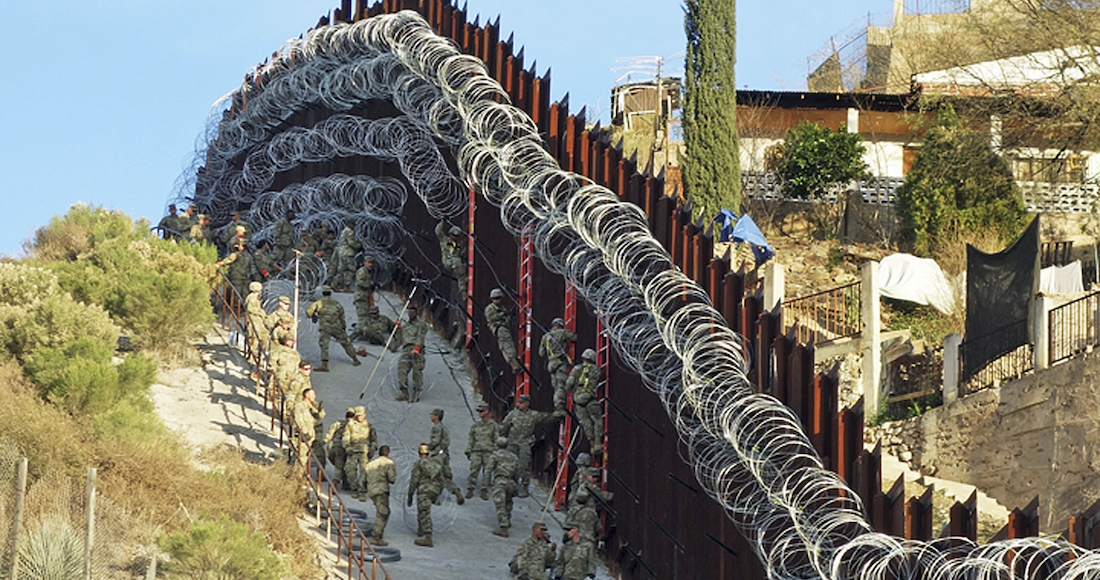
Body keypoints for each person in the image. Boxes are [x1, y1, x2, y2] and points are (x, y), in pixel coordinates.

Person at [501, 394, 558, 497]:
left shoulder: (533, 415)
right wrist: (502, 440)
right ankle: (512, 487)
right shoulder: (513, 414)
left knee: (524, 466)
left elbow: (546, 418)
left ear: (527, 404)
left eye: (522, 403)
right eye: (519, 402)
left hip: (524, 444)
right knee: (510, 465)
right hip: (512, 443)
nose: (519, 404)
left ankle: (525, 488)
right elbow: (504, 427)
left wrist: (558, 415)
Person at [305, 286, 361, 372]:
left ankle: (324, 365)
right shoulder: (336, 304)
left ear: (323, 294)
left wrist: (313, 316)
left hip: (325, 327)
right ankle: (355, 359)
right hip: (336, 326)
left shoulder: (319, 303)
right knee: (346, 343)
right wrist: (343, 328)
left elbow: (308, 312)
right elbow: (342, 317)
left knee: (324, 345)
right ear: (330, 294)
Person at [565, 349, 603, 454]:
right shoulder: (596, 370)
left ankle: (592, 445)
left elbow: (569, 384)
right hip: (589, 398)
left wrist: (573, 391)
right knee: (597, 419)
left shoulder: (576, 369)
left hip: (578, 400)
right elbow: (600, 378)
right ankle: (598, 443)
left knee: (586, 423)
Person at [407, 442, 444, 547]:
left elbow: (414, 480)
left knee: (424, 512)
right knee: (423, 509)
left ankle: (428, 537)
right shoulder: (436, 464)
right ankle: (421, 529)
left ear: (419, 454)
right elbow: (441, 480)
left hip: (424, 490)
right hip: (435, 490)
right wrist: (438, 494)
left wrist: (410, 495)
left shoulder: (419, 464)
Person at [540, 317, 578, 414]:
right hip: (560, 363)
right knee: (561, 386)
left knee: (556, 387)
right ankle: (559, 408)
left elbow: (541, 353)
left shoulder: (545, 337)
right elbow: (574, 338)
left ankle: (557, 406)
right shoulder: (562, 333)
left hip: (551, 364)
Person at [428, 408, 464, 502]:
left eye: (432, 415)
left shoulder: (436, 428)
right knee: (445, 477)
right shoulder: (444, 428)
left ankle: (435, 497)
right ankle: (456, 491)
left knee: (435, 476)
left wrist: (427, 448)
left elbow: (435, 441)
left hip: (437, 455)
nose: (431, 417)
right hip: (444, 454)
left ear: (437, 416)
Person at [466, 402, 500, 500]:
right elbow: (471, 438)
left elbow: (496, 439)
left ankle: (484, 490)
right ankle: (470, 488)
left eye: (482, 411)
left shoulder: (493, 426)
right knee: (474, 470)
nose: (480, 413)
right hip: (476, 450)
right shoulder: (476, 425)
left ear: (487, 412)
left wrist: (494, 450)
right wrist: (468, 449)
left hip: (488, 452)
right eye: (479, 411)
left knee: (487, 472)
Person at [487, 436, 520, 537]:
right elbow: (517, 472)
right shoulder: (514, 457)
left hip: (500, 481)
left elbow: (488, 470)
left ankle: (504, 528)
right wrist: (515, 483)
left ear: (497, 445)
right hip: (510, 482)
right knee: (508, 501)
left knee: (500, 503)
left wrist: (487, 483)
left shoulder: (495, 455)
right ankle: (508, 519)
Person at [342, 406, 377, 501]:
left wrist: (372, 449)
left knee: (364, 472)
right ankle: (354, 488)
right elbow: (345, 437)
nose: (359, 417)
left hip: (364, 452)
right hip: (352, 451)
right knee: (350, 470)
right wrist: (347, 447)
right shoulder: (350, 425)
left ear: (364, 415)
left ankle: (362, 491)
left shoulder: (369, 426)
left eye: (361, 415)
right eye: (357, 416)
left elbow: (374, 440)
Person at [394, 303, 428, 402]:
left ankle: (416, 393)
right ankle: (404, 392)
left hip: (417, 350)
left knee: (417, 371)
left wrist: (417, 347)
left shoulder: (421, 324)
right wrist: (397, 329)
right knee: (402, 369)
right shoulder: (406, 326)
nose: (411, 314)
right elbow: (401, 339)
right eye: (409, 312)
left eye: (413, 312)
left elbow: (420, 336)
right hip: (406, 350)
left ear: (416, 313)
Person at [364, 445, 396, 546]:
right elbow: (392, 479)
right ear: (388, 454)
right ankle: (376, 536)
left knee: (381, 511)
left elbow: (363, 479)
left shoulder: (370, 464)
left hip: (371, 491)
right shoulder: (388, 463)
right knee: (383, 513)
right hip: (381, 491)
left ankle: (378, 532)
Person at [485, 288, 522, 373]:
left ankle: (514, 366)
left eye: (498, 298)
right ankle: (515, 365)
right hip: (500, 329)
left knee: (505, 347)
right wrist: (504, 314)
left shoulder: (501, 307)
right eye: (495, 298)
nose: (497, 300)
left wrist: (511, 316)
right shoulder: (490, 308)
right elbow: (491, 318)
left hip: (503, 328)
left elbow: (508, 321)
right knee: (507, 347)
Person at [323, 407, 355, 490]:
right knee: (345, 466)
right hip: (346, 448)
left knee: (339, 466)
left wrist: (322, 443)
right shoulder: (354, 426)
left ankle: (343, 483)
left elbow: (329, 435)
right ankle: (336, 484)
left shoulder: (337, 424)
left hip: (335, 447)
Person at [291, 388, 322, 469]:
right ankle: (296, 474)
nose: (314, 396)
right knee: (300, 457)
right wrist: (304, 432)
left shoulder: (310, 407)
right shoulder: (299, 406)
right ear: (306, 395)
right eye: (312, 394)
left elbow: (318, 416)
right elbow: (298, 421)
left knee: (305, 458)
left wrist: (320, 410)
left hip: (310, 436)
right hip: (302, 436)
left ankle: (298, 473)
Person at [435, 220, 467, 294]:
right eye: (453, 235)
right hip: (448, 261)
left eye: (457, 236)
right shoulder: (445, 240)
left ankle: (463, 291)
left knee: (460, 272)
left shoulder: (458, 245)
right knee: (457, 262)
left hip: (456, 263)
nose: (454, 237)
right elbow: (438, 231)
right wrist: (443, 221)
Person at [333, 219, 362, 291]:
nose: (354, 226)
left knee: (341, 270)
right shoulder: (349, 231)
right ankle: (346, 286)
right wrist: (359, 246)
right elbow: (351, 242)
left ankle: (335, 283)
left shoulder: (343, 231)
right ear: (350, 224)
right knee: (351, 270)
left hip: (342, 253)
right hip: (348, 253)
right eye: (353, 224)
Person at [244, 281, 267, 361]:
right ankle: (252, 357)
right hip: (254, 319)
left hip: (258, 319)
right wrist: (260, 312)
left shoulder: (255, 297)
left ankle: (257, 354)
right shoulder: (252, 298)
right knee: (255, 338)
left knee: (263, 335)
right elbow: (250, 309)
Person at [352, 256, 375, 329]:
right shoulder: (362, 271)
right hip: (360, 297)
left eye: (372, 263)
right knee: (363, 316)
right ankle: (361, 331)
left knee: (367, 315)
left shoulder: (367, 272)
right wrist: (369, 285)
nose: (370, 264)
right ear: (364, 263)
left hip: (365, 297)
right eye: (369, 262)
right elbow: (360, 282)